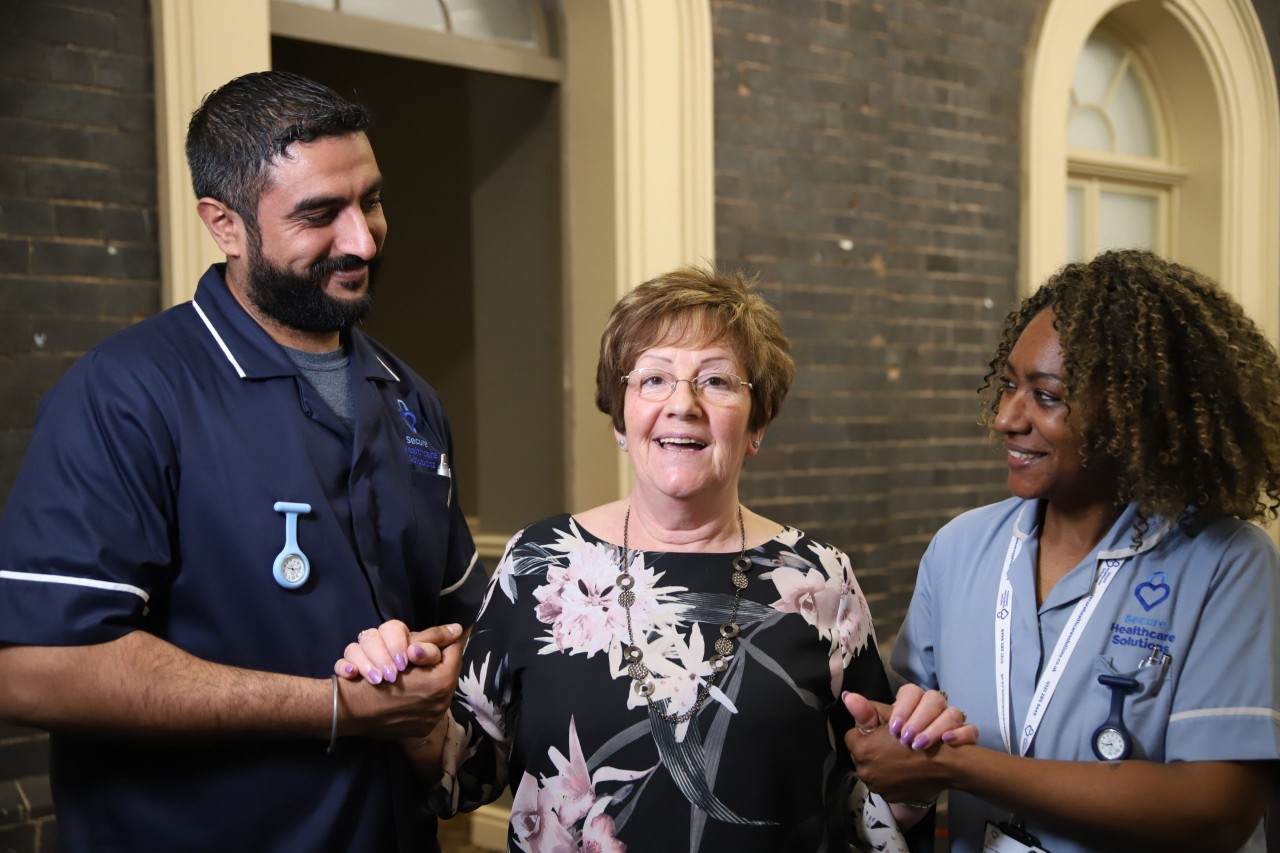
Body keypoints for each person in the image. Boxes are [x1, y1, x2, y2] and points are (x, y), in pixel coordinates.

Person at [0, 71, 487, 851]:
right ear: (224, 224)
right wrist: (335, 707)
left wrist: (442, 668)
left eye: (370, 201)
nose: (362, 240)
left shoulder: (409, 399)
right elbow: (34, 668)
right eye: (320, 214)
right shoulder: (126, 393)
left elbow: (464, 625)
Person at [341, 266, 974, 851]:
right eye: (653, 378)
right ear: (621, 420)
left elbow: (869, 808)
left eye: (717, 381)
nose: (683, 403)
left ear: (757, 425)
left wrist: (915, 782)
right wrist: (402, 702)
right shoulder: (538, 564)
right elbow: (467, 770)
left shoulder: (819, 580)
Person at [844, 249, 1280, 852]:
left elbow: (1215, 809)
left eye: (1046, 396)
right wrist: (903, 761)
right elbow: (916, 762)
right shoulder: (960, 550)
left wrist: (962, 767)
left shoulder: (1227, 563)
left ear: (1135, 415)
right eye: (1008, 387)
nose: (1006, 418)